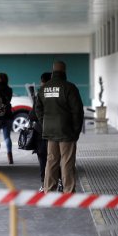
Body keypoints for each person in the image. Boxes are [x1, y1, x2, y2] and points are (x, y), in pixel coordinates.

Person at [36, 61, 84, 193]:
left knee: (51, 160)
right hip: (66, 131)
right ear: (64, 71)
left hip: (50, 131)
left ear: (53, 72)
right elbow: (77, 111)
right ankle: (68, 190)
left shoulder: (44, 88)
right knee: (67, 161)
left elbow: (38, 109)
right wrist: (76, 130)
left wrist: (44, 122)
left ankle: (49, 189)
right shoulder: (69, 87)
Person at [0, 73, 14, 164]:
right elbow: (8, 101)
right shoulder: (9, 90)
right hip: (8, 114)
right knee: (7, 137)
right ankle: (10, 157)